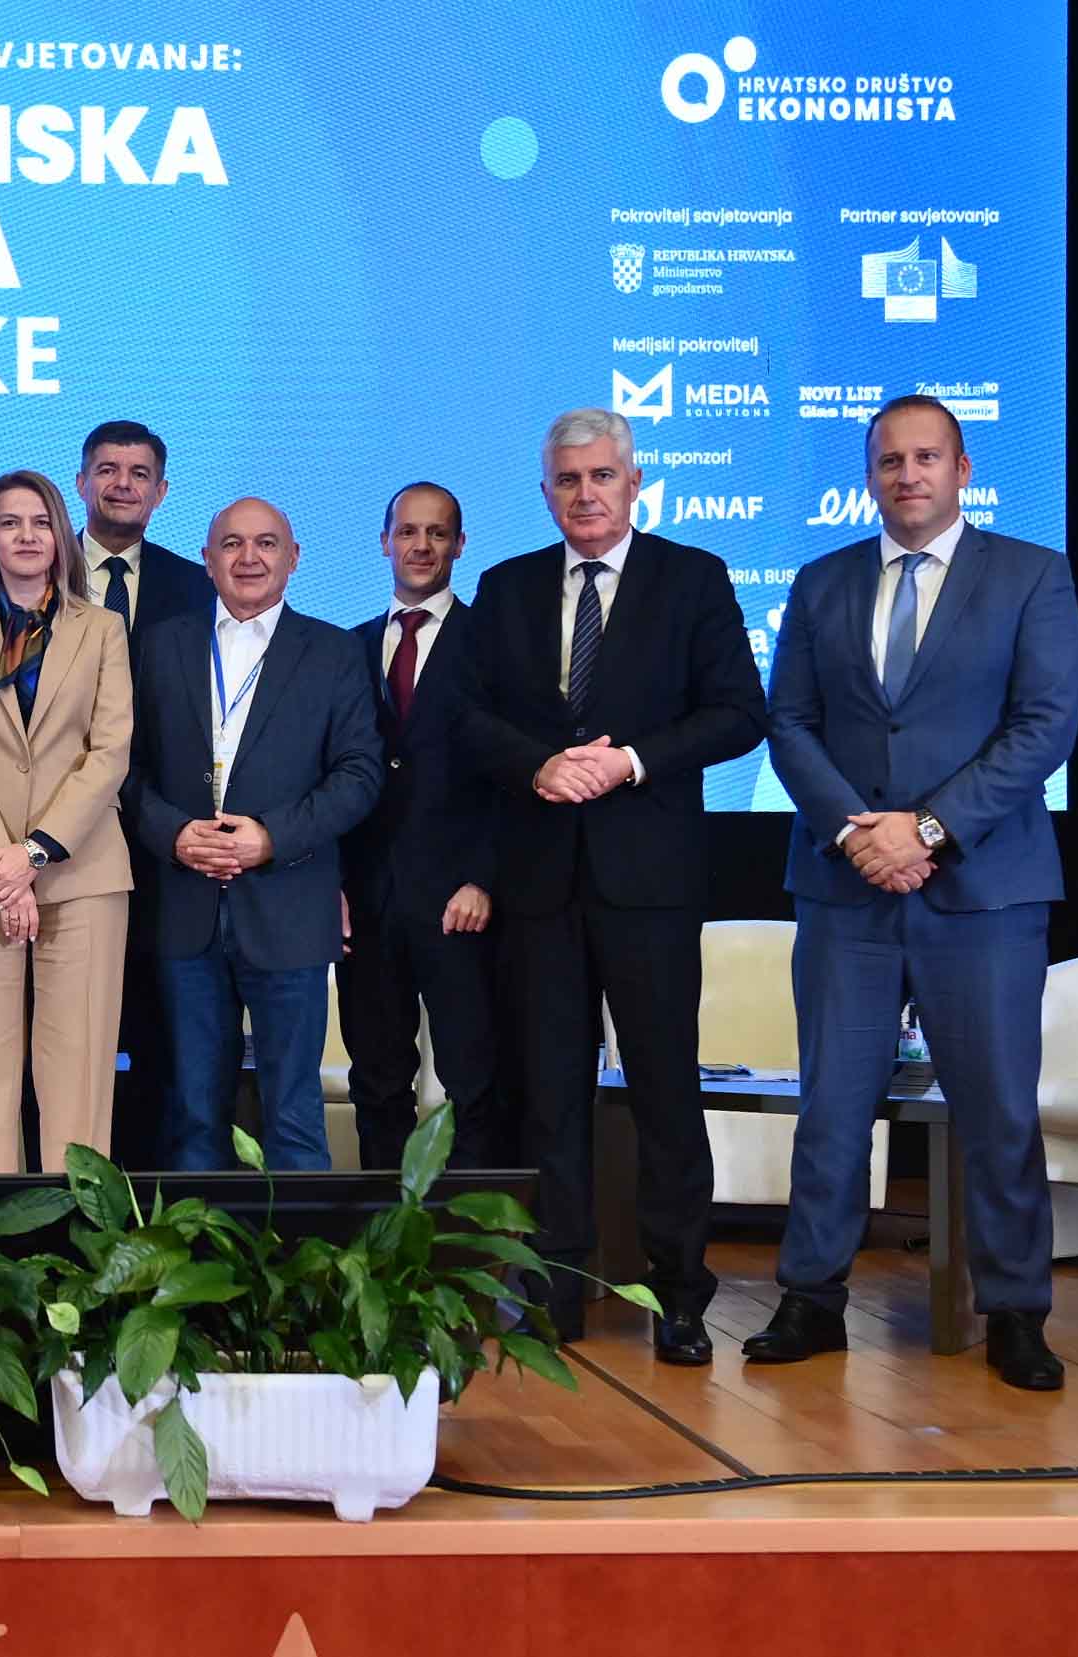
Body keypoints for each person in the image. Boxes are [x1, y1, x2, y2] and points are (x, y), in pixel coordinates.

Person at [746, 396, 1078, 1389]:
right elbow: (788, 722)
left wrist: (926, 829)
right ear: (869, 476)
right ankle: (811, 1298)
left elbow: (1044, 723)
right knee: (830, 1108)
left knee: (998, 1113)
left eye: (926, 457)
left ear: (961, 469)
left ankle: (1014, 1310)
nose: (907, 475)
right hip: (845, 886)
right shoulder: (820, 582)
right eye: (889, 461)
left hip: (984, 892)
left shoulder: (1032, 575)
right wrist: (859, 831)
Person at [458, 407, 768, 1362]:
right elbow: (465, 717)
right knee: (549, 1097)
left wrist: (629, 760)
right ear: (545, 491)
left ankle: (679, 1295)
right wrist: (539, 766)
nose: (585, 494)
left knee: (666, 1092)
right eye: (568, 479)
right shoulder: (505, 587)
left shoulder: (694, 577)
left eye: (602, 476)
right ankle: (555, 1291)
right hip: (540, 885)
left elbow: (738, 713)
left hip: (651, 882)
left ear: (635, 484)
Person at [123, 498, 381, 1171]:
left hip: (289, 909)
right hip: (184, 911)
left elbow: (359, 774)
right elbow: (124, 768)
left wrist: (270, 838)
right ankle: (194, 1245)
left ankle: (298, 1248)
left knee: (293, 1116)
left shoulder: (335, 651)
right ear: (206, 560)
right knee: (191, 1117)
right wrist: (174, 834)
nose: (249, 557)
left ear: (294, 558)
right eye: (232, 544)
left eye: (266, 543)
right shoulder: (159, 645)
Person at [0, 471, 133, 1172]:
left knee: (77, 1073)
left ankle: (78, 1232)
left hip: (82, 873)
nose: (26, 535)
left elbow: (110, 751)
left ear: (60, 537)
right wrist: (2, 861)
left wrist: (35, 853)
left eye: (41, 522)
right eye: (10, 522)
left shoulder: (103, 629)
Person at [338, 483, 508, 1170]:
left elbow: (514, 775)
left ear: (459, 545)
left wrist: (484, 878)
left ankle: (469, 1230)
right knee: (377, 1082)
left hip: (458, 902)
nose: (421, 546)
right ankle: (384, 1228)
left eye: (437, 533)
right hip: (368, 902)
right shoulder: (346, 649)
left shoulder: (493, 644)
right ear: (384, 542)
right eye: (407, 532)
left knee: (474, 1081)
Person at [73, 420, 214, 1168]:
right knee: (64, 1039)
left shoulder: (197, 588)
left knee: (161, 1042)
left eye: (138, 473)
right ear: (81, 483)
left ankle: (147, 1205)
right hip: (59, 845)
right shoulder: (40, 575)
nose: (121, 484)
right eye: (107, 469)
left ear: (161, 492)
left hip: (165, 846)